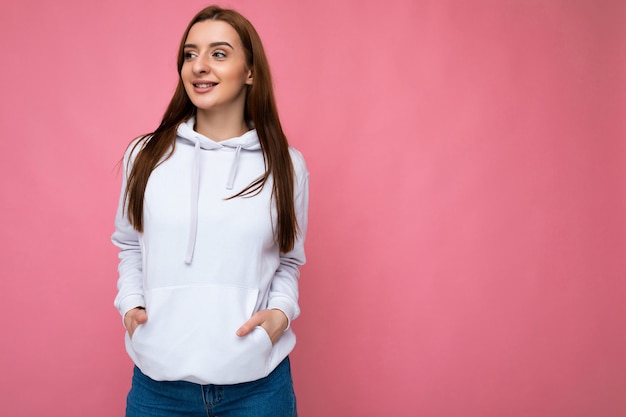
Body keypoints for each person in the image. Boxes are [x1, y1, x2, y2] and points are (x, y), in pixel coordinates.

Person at [111, 5, 308, 417]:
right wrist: (130, 305)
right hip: (159, 390)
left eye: (219, 53)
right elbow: (130, 244)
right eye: (189, 54)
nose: (199, 66)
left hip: (259, 390)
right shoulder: (144, 156)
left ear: (250, 72)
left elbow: (288, 260)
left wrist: (279, 315)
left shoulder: (286, 166)